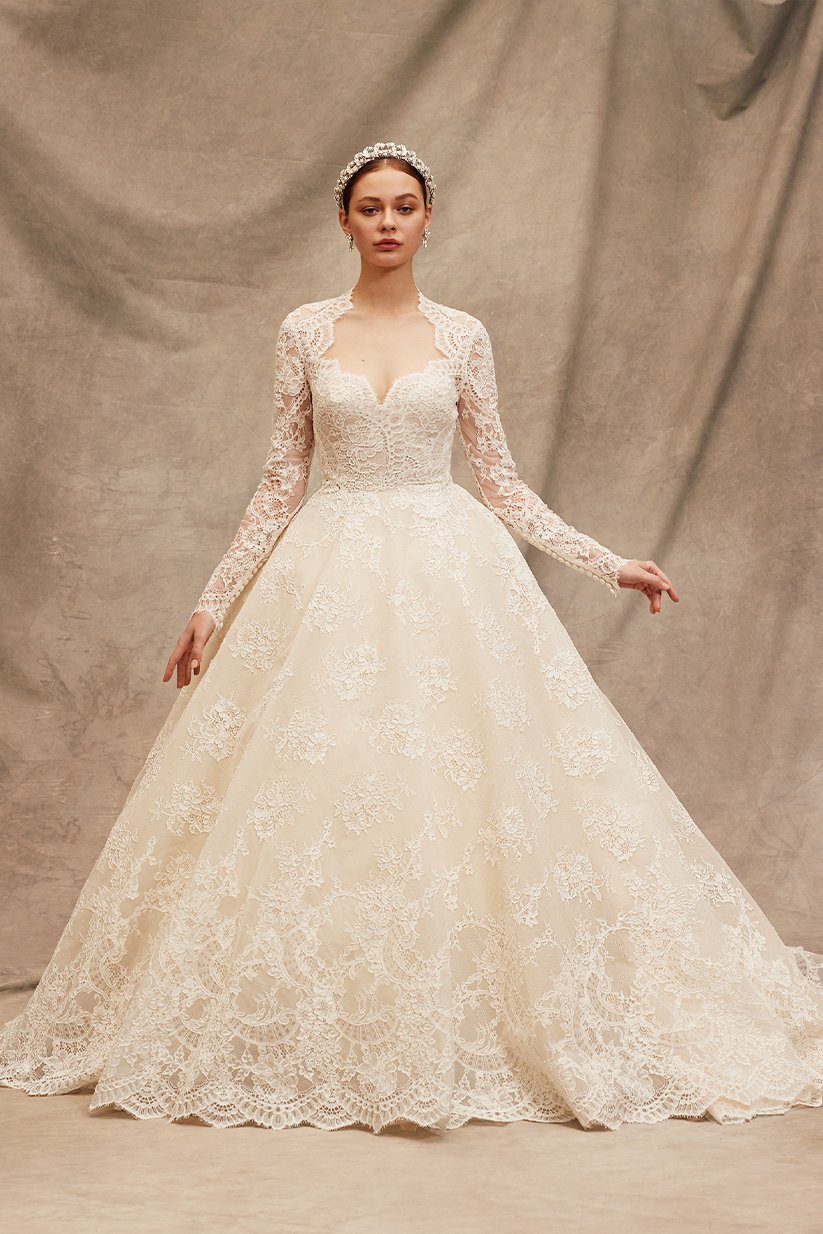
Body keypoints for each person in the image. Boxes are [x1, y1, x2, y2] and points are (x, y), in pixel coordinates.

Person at [1, 144, 821, 1132]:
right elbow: (281, 482)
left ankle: (461, 1018)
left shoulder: (463, 336)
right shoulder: (304, 330)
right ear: (343, 222)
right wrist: (213, 601)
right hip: (328, 570)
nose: (387, 222)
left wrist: (610, 564)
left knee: (463, 788)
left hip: (448, 570)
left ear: (429, 219)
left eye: (403, 206)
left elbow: (502, 483)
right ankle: (327, 1022)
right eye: (369, 208)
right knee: (322, 792)